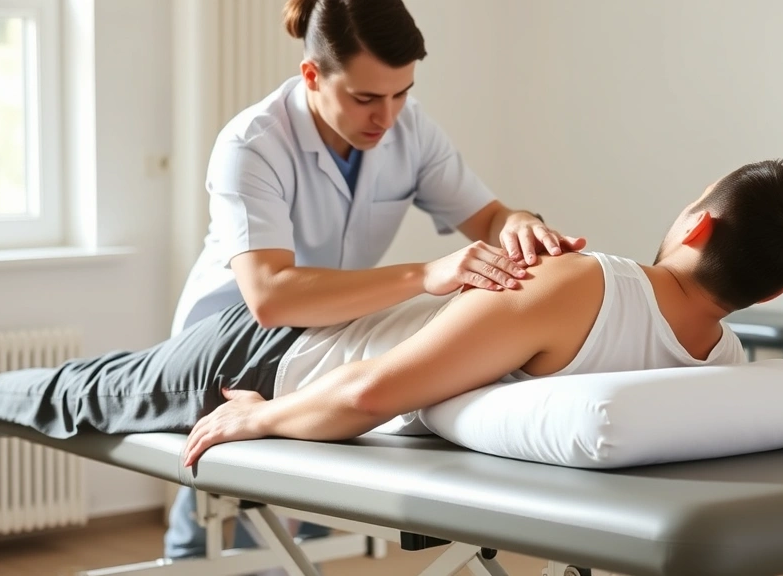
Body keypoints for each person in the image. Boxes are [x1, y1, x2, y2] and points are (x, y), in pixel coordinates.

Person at [0, 158, 783, 469]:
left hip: (272, 370)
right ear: (776, 292)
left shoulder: (585, 284)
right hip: (269, 339)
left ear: (696, 223)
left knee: (79, 390)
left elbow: (370, 393)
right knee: (73, 390)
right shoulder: (717, 370)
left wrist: (262, 420)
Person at [167, 0, 585, 564]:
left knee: (307, 521)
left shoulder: (409, 131)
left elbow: (488, 217)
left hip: (325, 343)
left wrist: (522, 225)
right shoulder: (252, 143)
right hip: (228, 344)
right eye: (365, 98)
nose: (385, 117)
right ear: (312, 75)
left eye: (401, 93)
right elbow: (271, 295)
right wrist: (427, 275)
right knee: (209, 518)